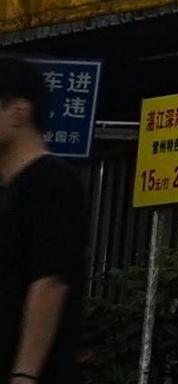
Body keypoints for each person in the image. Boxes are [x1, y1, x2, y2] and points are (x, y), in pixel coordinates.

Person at [0, 58, 86, 384]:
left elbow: (50, 281)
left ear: (20, 111)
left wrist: (25, 374)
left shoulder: (52, 181)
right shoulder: (9, 190)